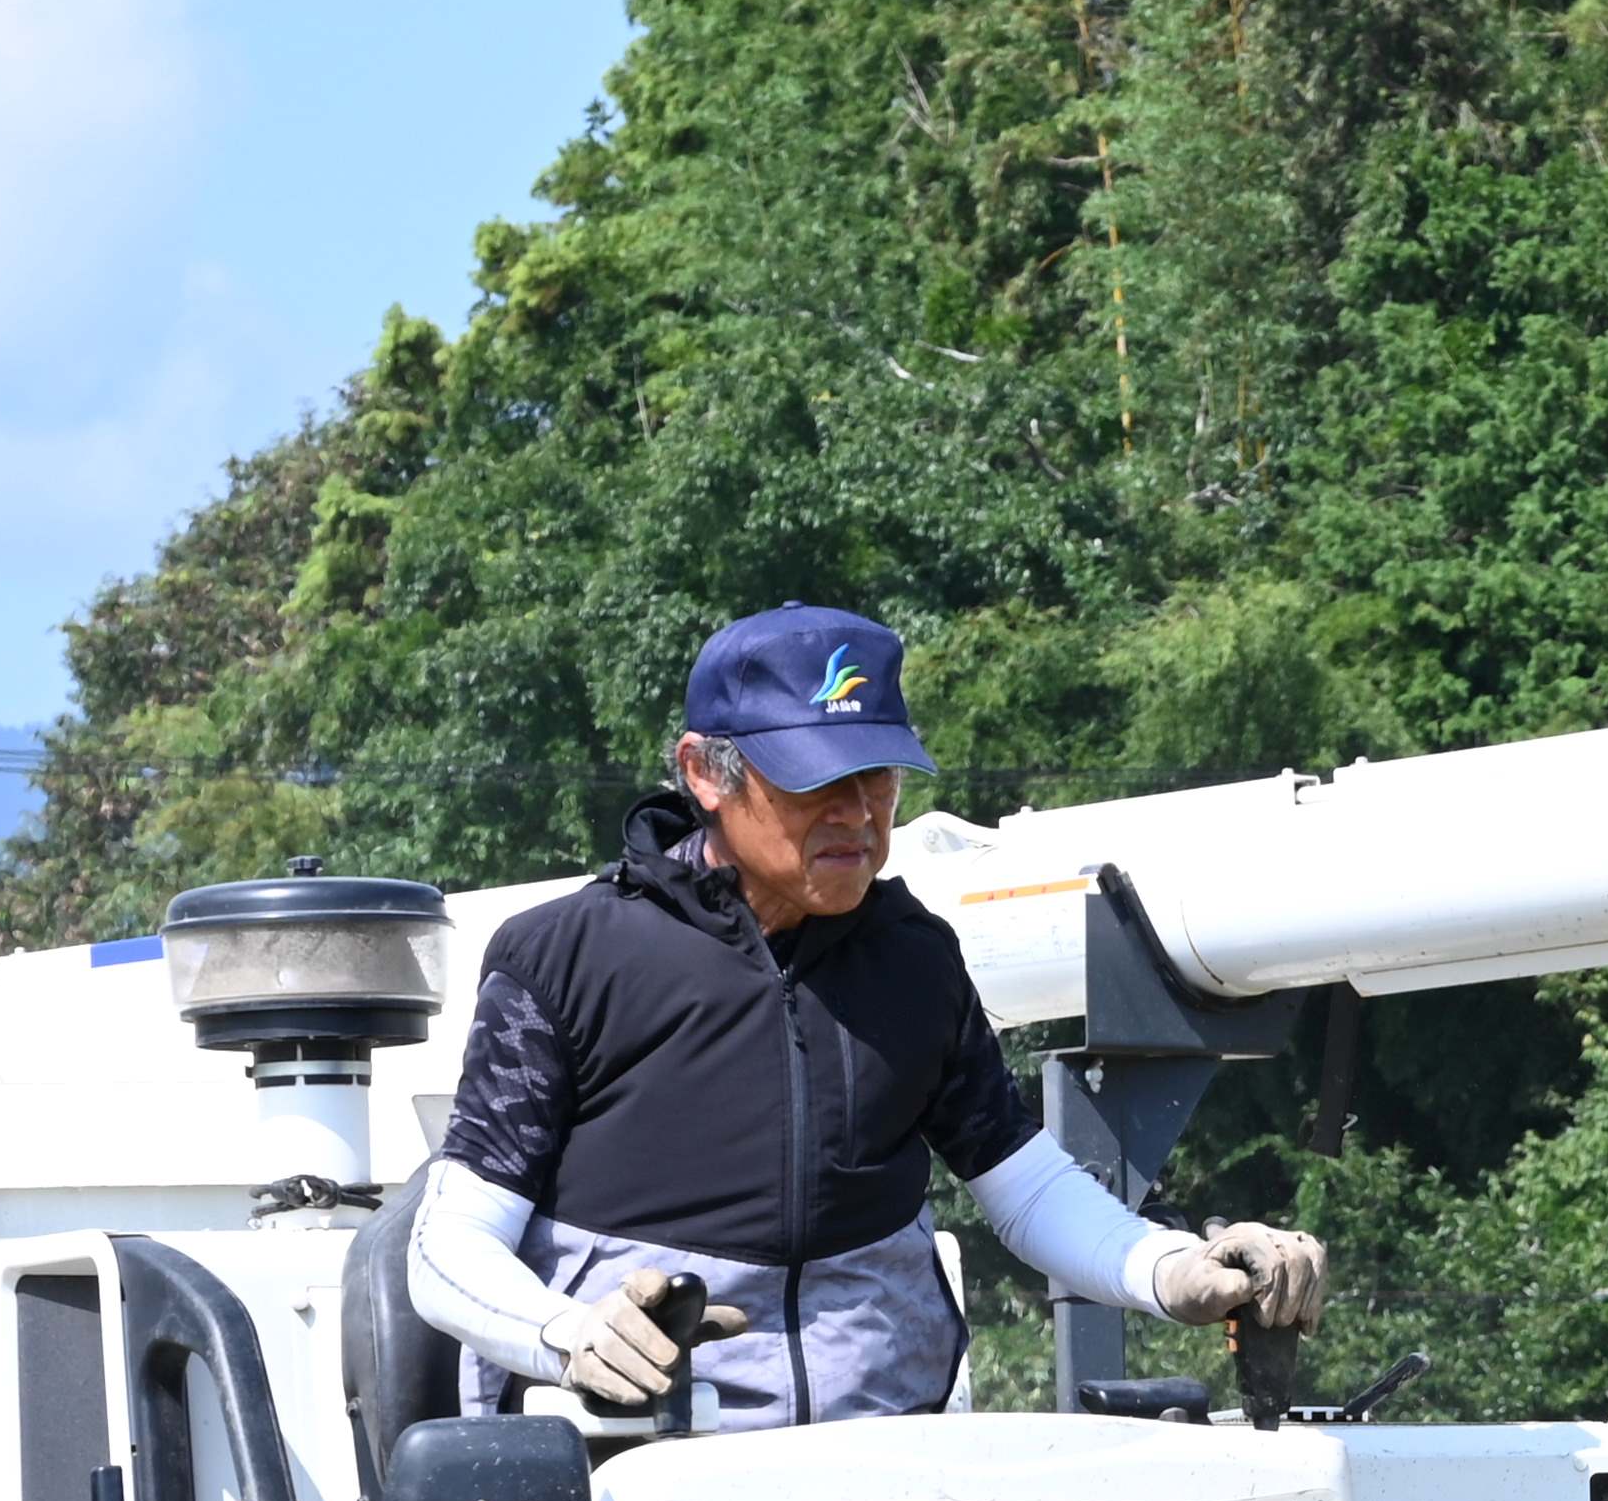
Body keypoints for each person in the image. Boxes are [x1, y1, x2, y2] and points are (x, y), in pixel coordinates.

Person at [404, 603, 1324, 1427]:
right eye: (814, 782)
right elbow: (447, 1246)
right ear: (704, 774)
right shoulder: (563, 957)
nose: (857, 814)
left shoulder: (914, 957)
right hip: (629, 1482)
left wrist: (1174, 1272)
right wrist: (569, 1335)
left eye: (878, 776)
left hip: (889, 1480)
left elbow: (1027, 1190)